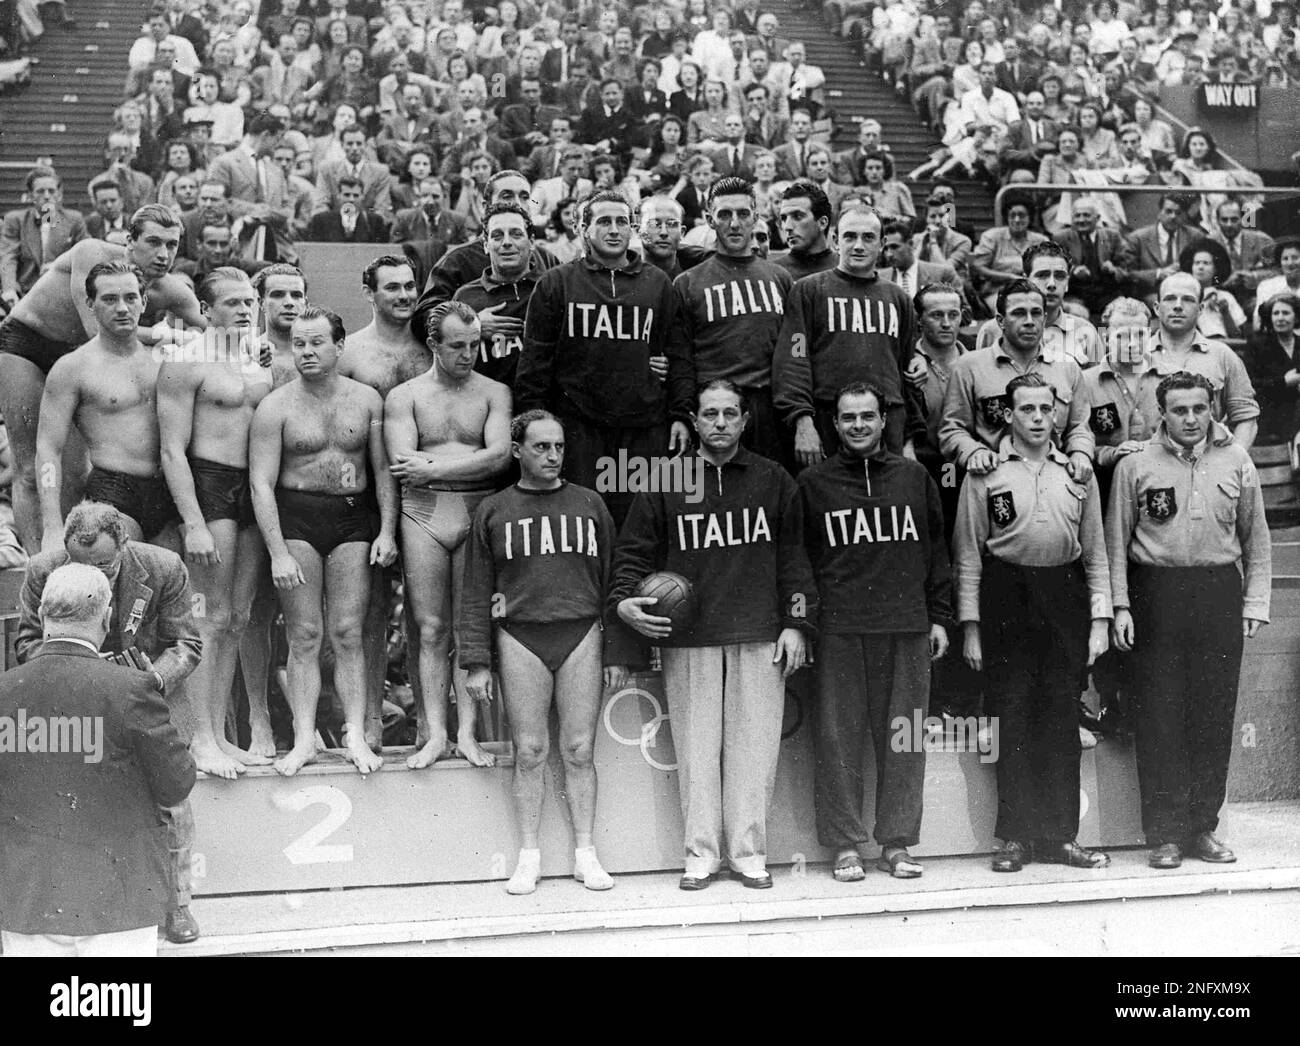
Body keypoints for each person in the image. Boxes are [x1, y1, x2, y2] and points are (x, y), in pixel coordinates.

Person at [610, 384, 814, 886]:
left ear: (745, 420)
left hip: (760, 631)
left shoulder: (774, 479)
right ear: (695, 422)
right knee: (697, 751)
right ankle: (700, 854)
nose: (720, 422)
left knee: (755, 749)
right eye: (709, 414)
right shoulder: (665, 480)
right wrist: (623, 601)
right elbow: (632, 555)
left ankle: (748, 855)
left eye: (730, 413)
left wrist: (796, 623)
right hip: (689, 638)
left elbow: (795, 560)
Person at [460, 410, 633, 895]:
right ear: (517, 451)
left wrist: (618, 649)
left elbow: (614, 582)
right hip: (519, 636)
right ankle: (529, 855)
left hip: (581, 632)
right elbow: (475, 589)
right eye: (541, 447)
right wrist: (476, 660)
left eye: (558, 447)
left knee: (579, 750)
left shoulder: (590, 504)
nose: (553, 456)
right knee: (530, 751)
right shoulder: (493, 511)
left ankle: (585, 854)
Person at [15, 501, 203, 944]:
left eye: (104, 565)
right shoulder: (43, 569)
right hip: (73, 703)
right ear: (65, 553)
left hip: (151, 695)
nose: (94, 576)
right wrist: (89, 669)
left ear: (124, 544)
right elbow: (26, 643)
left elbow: (187, 645)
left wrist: (147, 679)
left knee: (171, 800)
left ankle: (177, 905)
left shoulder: (163, 566)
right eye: (82, 566)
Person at [1106, 371, 1271, 869]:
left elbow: (1256, 540)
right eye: (1180, 410)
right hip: (1156, 593)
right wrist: (1120, 606)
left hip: (1218, 592)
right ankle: (1165, 833)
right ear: (1163, 413)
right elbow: (1115, 542)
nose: (1191, 418)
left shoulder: (1237, 460)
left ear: (1213, 406)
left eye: (1199, 408)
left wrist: (1254, 603)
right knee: (1159, 715)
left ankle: (1202, 827)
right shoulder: (1136, 465)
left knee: (1212, 716)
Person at [954, 369, 1113, 873]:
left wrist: (1100, 619)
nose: (1038, 418)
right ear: (1010, 413)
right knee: (1012, 715)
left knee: (1061, 718)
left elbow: (1097, 556)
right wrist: (972, 626)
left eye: (1046, 409)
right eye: (1027, 409)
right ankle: (1016, 837)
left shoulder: (1077, 473)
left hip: (1063, 597)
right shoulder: (987, 474)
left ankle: (1062, 836)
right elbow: (968, 557)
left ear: (1058, 414)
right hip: (1007, 596)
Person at [798, 381, 951, 882]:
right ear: (835, 424)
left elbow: (937, 554)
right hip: (841, 629)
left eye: (868, 416)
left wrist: (939, 616)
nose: (859, 426)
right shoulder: (814, 483)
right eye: (848, 418)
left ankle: (898, 842)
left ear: (884, 421)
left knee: (903, 741)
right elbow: (802, 561)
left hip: (905, 625)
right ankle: (845, 845)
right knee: (839, 741)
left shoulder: (913, 477)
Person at [249, 305, 398, 776]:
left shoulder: (368, 401)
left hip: (354, 518)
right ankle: (303, 739)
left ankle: (355, 735)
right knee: (305, 634)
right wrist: (276, 552)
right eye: (299, 344)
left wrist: (388, 531)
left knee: (349, 633)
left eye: (317, 342)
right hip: (297, 519)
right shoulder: (275, 406)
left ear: (339, 346)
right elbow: (260, 484)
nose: (307, 352)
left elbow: (382, 473)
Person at [0, 204, 202, 551]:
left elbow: (223, 333)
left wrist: (257, 350)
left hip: (77, 361)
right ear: (129, 241)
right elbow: (98, 331)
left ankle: (72, 558)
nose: (163, 254)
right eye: (153, 242)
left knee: (77, 474)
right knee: (32, 468)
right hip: (29, 346)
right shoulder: (91, 252)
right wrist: (168, 336)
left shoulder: (173, 291)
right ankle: (40, 562)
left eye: (172, 245)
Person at [157, 267, 274, 779]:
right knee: (207, 617)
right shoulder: (185, 363)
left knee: (236, 619)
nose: (245, 310)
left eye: (249, 302)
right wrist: (194, 522)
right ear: (205, 311)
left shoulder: (255, 361)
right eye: (232, 303)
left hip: (252, 490)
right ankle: (199, 737)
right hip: (210, 486)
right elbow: (171, 450)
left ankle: (221, 732)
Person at [385, 300, 511, 770]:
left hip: (477, 511)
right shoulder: (406, 396)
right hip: (425, 513)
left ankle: (468, 733)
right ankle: (436, 731)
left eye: (475, 344)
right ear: (433, 344)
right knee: (432, 628)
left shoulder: (494, 392)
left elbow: (500, 456)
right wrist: (457, 466)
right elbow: (405, 466)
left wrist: (436, 464)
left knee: (469, 628)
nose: (468, 354)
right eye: (457, 346)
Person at [516, 191, 688, 527]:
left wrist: (681, 412)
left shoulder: (657, 283)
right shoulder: (557, 283)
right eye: (603, 221)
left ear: (633, 228)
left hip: (642, 429)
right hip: (579, 428)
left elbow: (679, 355)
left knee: (636, 522)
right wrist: (533, 426)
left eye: (622, 222)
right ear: (583, 228)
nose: (614, 230)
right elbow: (534, 364)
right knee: (582, 521)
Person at [35, 261, 184, 550]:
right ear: (90, 304)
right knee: (121, 585)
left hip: (167, 490)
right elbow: (47, 449)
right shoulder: (73, 368)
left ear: (144, 301)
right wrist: (52, 525)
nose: (122, 308)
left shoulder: (166, 358)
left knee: (171, 588)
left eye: (130, 298)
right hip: (115, 490)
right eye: (109, 299)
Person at [773, 207, 922, 467]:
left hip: (889, 423)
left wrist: (908, 438)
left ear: (882, 244)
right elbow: (794, 359)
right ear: (835, 240)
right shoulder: (808, 291)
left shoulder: (898, 298)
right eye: (849, 236)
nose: (858, 246)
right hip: (827, 419)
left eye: (868, 237)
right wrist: (802, 420)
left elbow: (908, 372)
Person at [666, 178, 793, 465]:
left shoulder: (780, 278)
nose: (734, 223)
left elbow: (796, 350)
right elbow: (681, 358)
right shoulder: (687, 283)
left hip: (768, 407)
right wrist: (681, 413)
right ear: (710, 220)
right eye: (724, 215)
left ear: (756, 218)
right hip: (714, 406)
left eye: (743, 214)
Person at [1135, 272, 1260, 450]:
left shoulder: (1222, 355)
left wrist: (1231, 461)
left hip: (1207, 466)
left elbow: (1247, 418)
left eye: (1187, 299)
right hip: (1150, 465)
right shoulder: (1135, 356)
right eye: (1170, 299)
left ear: (1200, 309)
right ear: (1156, 308)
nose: (1178, 306)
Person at [451, 204, 540, 390]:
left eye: (516, 234)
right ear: (485, 244)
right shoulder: (466, 296)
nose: (506, 242)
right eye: (497, 236)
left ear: (531, 242)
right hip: (485, 406)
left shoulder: (549, 287)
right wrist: (473, 327)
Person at [974, 241, 1105, 366]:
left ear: (1067, 283)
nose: (1052, 284)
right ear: (1026, 280)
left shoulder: (1085, 331)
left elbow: (1095, 384)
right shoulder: (992, 331)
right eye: (1042, 275)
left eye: (1060, 276)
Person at [1, 166, 87, 304]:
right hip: (25, 294)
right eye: (40, 191)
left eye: (51, 191)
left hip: (63, 294)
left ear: (59, 194)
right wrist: (9, 290)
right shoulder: (15, 220)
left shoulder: (74, 219)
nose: (47, 196)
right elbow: (8, 257)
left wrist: (58, 265)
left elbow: (85, 255)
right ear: (30, 195)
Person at [770, 180, 837, 280]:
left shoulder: (846, 268)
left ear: (822, 223)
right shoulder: (773, 273)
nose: (787, 227)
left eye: (797, 216)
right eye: (784, 218)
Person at [305, 175, 390, 242]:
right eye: (347, 195)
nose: (351, 199)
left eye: (356, 195)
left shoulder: (375, 221)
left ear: (362, 197)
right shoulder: (320, 220)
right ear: (339, 196)